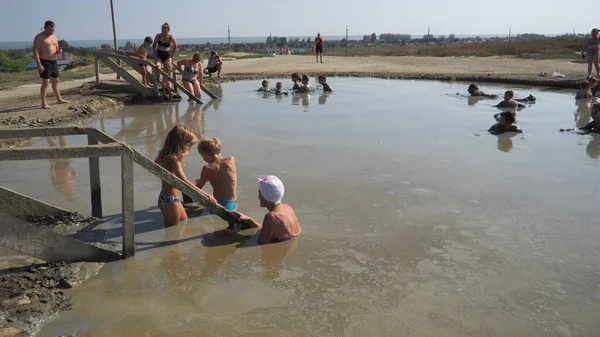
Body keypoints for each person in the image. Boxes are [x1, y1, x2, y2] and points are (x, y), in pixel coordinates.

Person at [155, 125, 216, 227]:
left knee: (183, 222)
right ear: (182, 143)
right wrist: (206, 195)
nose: (189, 149)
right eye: (189, 145)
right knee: (173, 231)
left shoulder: (169, 156)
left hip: (171, 198)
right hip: (168, 199)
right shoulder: (173, 159)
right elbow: (184, 181)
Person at [233, 175, 301, 244]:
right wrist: (250, 220)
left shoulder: (271, 217)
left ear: (265, 196)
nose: (258, 197)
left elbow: (260, 244)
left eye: (259, 193)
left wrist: (236, 235)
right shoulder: (287, 208)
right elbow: (268, 229)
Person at [33, 21, 70, 109]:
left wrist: (58, 51)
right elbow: (35, 51)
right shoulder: (39, 37)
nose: (51, 32)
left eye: (53, 30)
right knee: (46, 82)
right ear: (45, 28)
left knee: (56, 80)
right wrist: (39, 65)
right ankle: (43, 103)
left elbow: (56, 48)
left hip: (54, 61)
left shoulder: (54, 37)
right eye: (50, 30)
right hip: (44, 61)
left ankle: (59, 99)